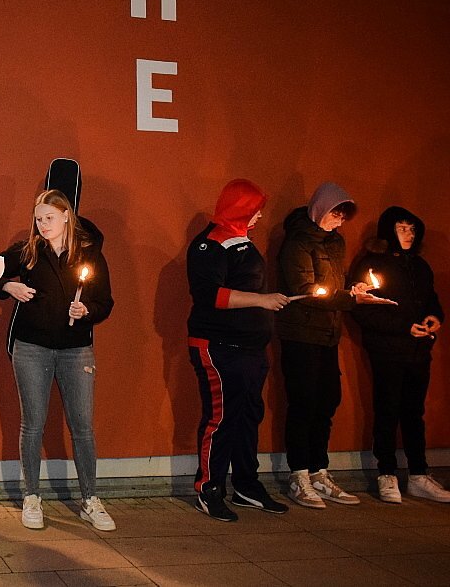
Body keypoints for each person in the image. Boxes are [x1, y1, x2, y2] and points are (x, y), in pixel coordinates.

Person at [0, 189, 115, 532]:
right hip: (31, 348)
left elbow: (105, 302)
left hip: (76, 350)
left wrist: (86, 311)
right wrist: (9, 288)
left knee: (82, 427)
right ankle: (32, 496)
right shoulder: (28, 252)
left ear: (66, 216)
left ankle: (90, 499)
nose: (43, 224)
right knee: (33, 424)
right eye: (38, 219)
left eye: (49, 217)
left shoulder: (88, 254)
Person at [275, 181, 386, 510]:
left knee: (327, 400)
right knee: (303, 402)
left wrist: (354, 288)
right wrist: (350, 300)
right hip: (301, 335)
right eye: (335, 214)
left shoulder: (335, 242)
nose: (339, 221)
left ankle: (318, 470)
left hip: (328, 334)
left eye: (343, 216)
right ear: (320, 209)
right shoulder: (297, 241)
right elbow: (306, 290)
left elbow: (333, 283)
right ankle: (299, 475)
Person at [186, 179, 290, 521]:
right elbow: (210, 295)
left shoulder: (242, 240)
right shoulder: (209, 244)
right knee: (221, 418)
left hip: (251, 348)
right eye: (254, 209)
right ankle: (209, 488)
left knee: (248, 417)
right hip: (219, 347)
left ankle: (246, 485)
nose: (259, 215)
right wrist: (262, 300)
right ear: (239, 208)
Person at [350, 206, 449, 504]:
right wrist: (405, 327)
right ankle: (387, 473)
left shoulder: (419, 266)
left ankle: (418, 474)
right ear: (389, 231)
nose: (409, 234)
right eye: (402, 228)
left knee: (414, 413)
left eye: (412, 228)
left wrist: (435, 317)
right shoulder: (372, 264)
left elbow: (431, 300)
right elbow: (363, 310)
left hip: (418, 350)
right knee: (387, 410)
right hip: (387, 350)